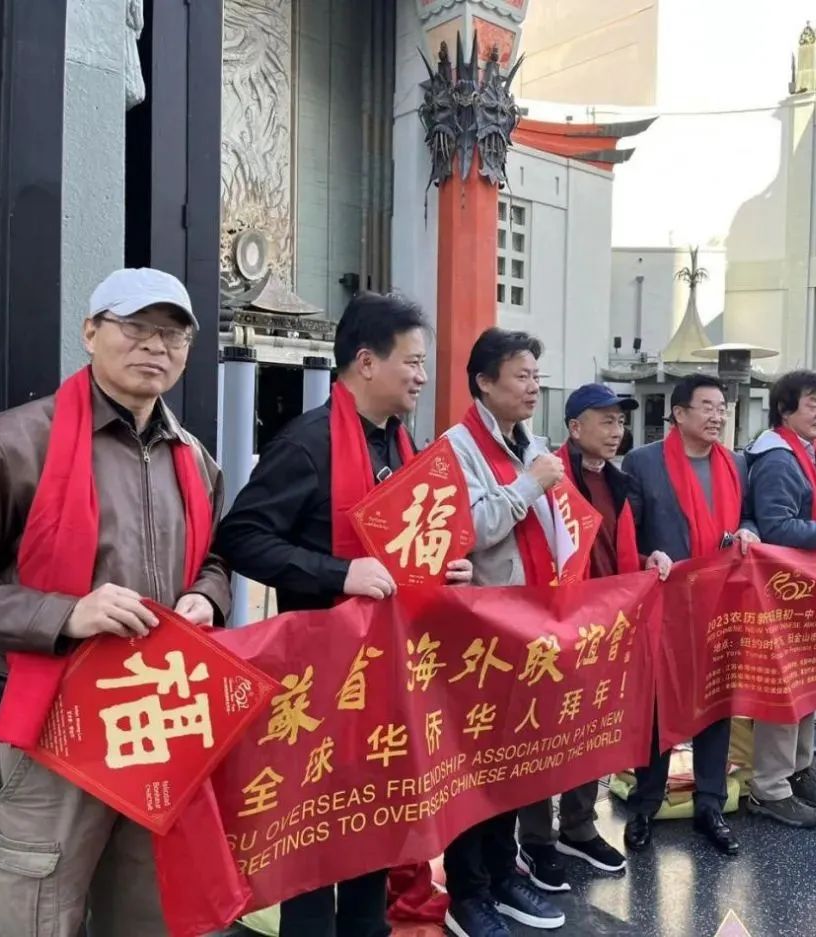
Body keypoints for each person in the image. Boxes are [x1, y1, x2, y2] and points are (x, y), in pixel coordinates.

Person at [0, 268, 232, 937]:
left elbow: (216, 555)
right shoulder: (16, 442)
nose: (155, 346)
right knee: (35, 913)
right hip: (51, 726)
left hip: (156, 723)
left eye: (173, 335)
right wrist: (64, 614)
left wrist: (205, 596)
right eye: (137, 327)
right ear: (90, 331)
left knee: (149, 909)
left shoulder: (193, 457)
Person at [215, 292, 472, 937]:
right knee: (314, 843)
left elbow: (406, 549)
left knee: (372, 826)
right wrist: (339, 573)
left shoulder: (402, 445)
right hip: (321, 683)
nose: (422, 375)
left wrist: (444, 568)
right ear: (366, 362)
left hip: (385, 680)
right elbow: (241, 537)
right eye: (413, 361)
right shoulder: (307, 444)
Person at [441, 328, 567, 937]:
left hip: (530, 628)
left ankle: (502, 870)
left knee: (511, 760)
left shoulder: (530, 444)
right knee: (471, 767)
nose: (533, 387)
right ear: (484, 382)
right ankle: (467, 894)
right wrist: (528, 485)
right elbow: (465, 530)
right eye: (521, 376)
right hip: (479, 637)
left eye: (537, 376)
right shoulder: (457, 447)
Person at [621, 374, 757, 856]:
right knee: (660, 705)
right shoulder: (643, 462)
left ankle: (710, 804)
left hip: (721, 602)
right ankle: (645, 803)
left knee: (716, 702)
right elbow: (626, 534)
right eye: (707, 407)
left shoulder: (735, 463)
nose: (718, 416)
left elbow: (748, 515)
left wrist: (748, 531)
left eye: (722, 408)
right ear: (679, 413)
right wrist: (647, 558)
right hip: (666, 604)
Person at [513, 385, 642, 886]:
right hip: (554, 625)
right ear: (574, 427)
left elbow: (617, 547)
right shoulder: (549, 477)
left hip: (607, 624)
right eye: (605, 421)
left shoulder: (620, 482)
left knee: (592, 726)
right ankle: (535, 838)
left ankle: (579, 825)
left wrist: (649, 558)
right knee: (542, 731)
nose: (616, 431)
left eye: (620, 422)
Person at [744, 369, 816, 829]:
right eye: (811, 403)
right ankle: (770, 787)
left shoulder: (806, 452)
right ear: (784, 409)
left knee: (807, 683)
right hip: (784, 591)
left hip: (807, 590)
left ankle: (797, 770)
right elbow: (776, 527)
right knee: (786, 687)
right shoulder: (778, 458)